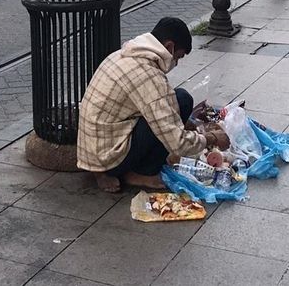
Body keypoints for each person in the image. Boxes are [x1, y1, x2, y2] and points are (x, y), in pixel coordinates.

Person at [77, 17, 224, 193]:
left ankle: (107, 171)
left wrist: (186, 126)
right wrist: (212, 138)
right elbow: (177, 143)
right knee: (176, 108)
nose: (175, 63)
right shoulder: (148, 75)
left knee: (180, 98)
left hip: (93, 150)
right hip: (109, 158)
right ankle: (141, 173)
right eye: (177, 57)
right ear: (169, 47)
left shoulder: (126, 53)